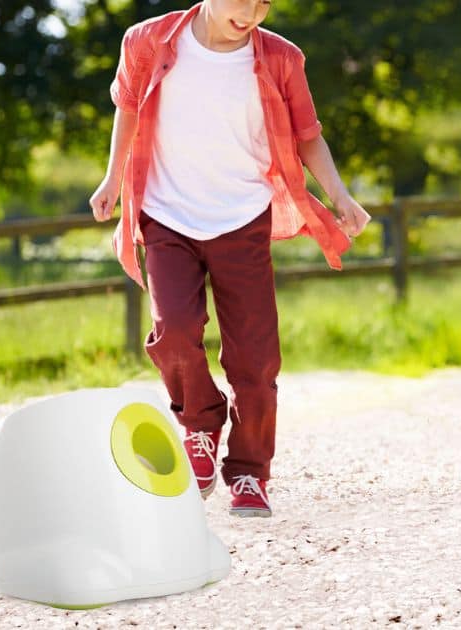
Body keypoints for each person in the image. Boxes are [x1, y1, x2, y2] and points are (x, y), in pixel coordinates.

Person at [88, 0, 369, 518]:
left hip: (242, 217)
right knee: (173, 332)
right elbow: (127, 109)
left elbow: (309, 137)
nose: (254, 11)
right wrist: (111, 178)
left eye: (265, 2)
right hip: (166, 213)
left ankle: (248, 472)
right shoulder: (147, 41)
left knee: (256, 360)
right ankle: (200, 422)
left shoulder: (282, 58)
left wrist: (340, 196)